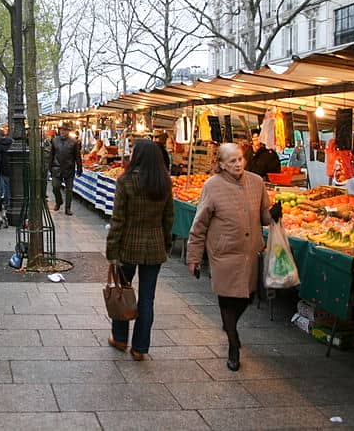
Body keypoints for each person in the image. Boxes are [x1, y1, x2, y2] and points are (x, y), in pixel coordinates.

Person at [187, 143, 277, 372]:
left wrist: (273, 214)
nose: (237, 164)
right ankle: (233, 345)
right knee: (227, 300)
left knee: (248, 296)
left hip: (250, 252)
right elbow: (200, 225)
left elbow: (264, 217)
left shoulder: (256, 182)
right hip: (224, 254)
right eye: (231, 161)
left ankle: (230, 329)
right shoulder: (212, 186)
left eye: (240, 159)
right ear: (221, 164)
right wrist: (194, 257)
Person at [106, 140, 174, 361]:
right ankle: (140, 348)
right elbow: (168, 218)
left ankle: (120, 338)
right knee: (147, 298)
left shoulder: (126, 182)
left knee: (122, 291)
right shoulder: (164, 183)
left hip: (128, 245)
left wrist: (112, 251)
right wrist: (166, 243)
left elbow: (118, 220)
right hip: (154, 246)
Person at [49, 122, 82, 215]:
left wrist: (79, 167)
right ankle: (59, 201)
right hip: (57, 167)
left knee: (69, 189)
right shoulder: (55, 140)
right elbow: (52, 154)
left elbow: (77, 156)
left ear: (68, 131)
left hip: (69, 168)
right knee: (55, 187)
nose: (63, 132)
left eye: (65, 130)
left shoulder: (74, 142)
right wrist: (50, 166)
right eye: (61, 130)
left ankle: (68, 208)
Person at [0, 128, 13, 210]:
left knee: (5, 186)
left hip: (3, 168)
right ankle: (11, 202)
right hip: (13, 167)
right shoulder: (11, 142)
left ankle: (7, 203)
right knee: (11, 186)